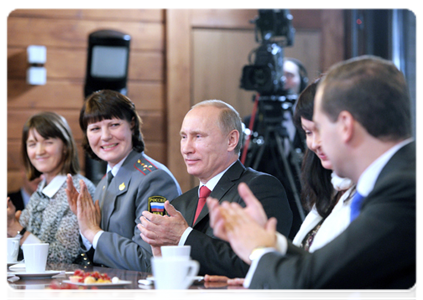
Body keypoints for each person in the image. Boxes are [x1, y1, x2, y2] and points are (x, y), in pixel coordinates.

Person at [207, 55, 419, 299]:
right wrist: (270, 241)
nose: (314, 143)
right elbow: (332, 267)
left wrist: (256, 248)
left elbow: (309, 285)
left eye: (319, 127)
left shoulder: (405, 189)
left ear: (345, 126)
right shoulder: (399, 176)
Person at [138, 99, 293, 278]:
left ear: (231, 140)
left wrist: (184, 236)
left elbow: (254, 265)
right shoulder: (179, 203)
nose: (186, 149)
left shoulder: (260, 188)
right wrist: (161, 259)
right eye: (183, 137)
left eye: (198, 136)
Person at [66, 89, 181, 271]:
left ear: (132, 125)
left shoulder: (154, 179)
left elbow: (148, 260)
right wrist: (84, 224)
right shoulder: (104, 182)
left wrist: (93, 233)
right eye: (95, 128)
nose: (105, 136)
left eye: (114, 125)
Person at [5, 112, 96, 264]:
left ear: (65, 146)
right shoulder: (41, 190)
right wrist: (8, 229)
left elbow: (63, 256)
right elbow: (20, 245)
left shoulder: (78, 188)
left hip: (67, 284)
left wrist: (17, 230)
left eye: (48, 142)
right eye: (32, 144)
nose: (39, 151)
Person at [243, 57, 309, 240]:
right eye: (279, 75)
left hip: (301, 206)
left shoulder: (309, 125)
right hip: (263, 206)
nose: (283, 81)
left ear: (301, 81)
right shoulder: (251, 124)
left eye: (289, 75)